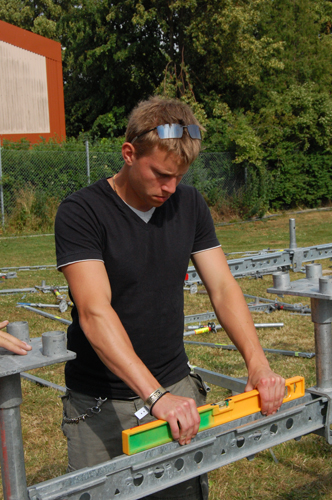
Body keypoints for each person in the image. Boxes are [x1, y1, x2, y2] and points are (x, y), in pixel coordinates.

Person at [55, 96, 285, 500]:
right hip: (102, 403)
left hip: (175, 387)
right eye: (160, 174)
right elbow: (94, 312)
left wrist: (258, 363)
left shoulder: (189, 204)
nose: (170, 188)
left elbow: (223, 287)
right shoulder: (82, 212)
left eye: (179, 176)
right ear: (129, 153)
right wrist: (155, 396)